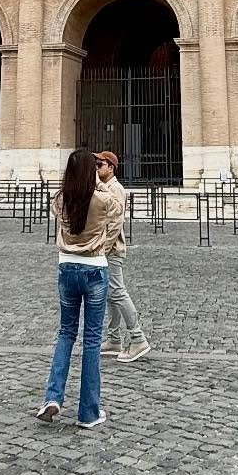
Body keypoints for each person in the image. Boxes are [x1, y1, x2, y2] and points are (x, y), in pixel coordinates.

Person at [38, 147, 112, 427]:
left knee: (65, 334)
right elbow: (115, 219)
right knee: (92, 341)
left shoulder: (60, 200)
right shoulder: (104, 200)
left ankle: (52, 397)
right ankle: (89, 413)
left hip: (66, 267)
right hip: (94, 268)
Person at [97, 150, 149, 362]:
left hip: (111, 249)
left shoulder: (116, 189)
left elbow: (116, 223)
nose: (96, 167)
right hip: (107, 248)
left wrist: (103, 248)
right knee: (110, 294)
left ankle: (138, 338)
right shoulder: (105, 188)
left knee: (117, 292)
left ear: (111, 167)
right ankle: (114, 339)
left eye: (100, 164)